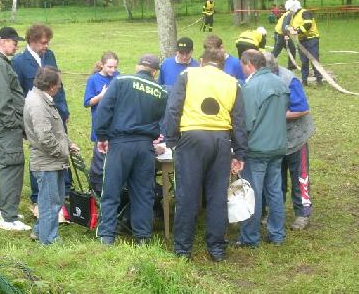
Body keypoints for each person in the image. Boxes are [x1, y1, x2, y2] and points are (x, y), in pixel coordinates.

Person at [164, 48, 247, 261]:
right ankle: (217, 249)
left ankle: (183, 250)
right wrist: (239, 152)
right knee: (217, 196)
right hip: (220, 139)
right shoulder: (232, 82)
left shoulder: (187, 75)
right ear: (221, 64)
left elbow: (173, 109)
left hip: (192, 136)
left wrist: (172, 140)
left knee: (187, 195)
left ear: (201, 61)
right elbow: (239, 121)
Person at [95, 54, 168, 245]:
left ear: (137, 67)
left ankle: (106, 235)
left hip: (120, 143)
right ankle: (142, 237)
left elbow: (104, 108)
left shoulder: (121, 81)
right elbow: (164, 118)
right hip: (145, 147)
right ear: (154, 72)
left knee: (111, 189)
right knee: (144, 193)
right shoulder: (161, 91)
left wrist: (102, 136)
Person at [12, 24, 71, 217]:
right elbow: (18, 92)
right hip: (38, 115)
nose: (46, 46)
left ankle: (64, 192)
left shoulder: (50, 55)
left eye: (48, 42)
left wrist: (65, 109)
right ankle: (38, 197)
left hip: (56, 113)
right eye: (43, 42)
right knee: (42, 152)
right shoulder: (20, 62)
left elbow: (58, 84)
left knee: (61, 147)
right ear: (32, 40)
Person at [0, 26, 30, 231]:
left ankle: (3, 208)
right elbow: (2, 99)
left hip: (0, 125)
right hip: (6, 126)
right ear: (1, 40)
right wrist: (15, 124)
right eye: (12, 41)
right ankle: (8, 218)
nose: (16, 44)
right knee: (12, 166)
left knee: (2, 166)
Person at [237, 50, 289, 247]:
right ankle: (277, 234)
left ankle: (250, 237)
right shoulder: (280, 83)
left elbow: (246, 122)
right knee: (274, 191)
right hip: (278, 146)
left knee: (254, 193)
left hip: (257, 148)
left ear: (249, 64)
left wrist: (238, 148)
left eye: (243, 66)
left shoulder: (251, 87)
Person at [23, 66, 79, 244]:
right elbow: (45, 137)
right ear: (52, 86)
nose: (60, 86)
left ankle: (40, 231)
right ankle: (49, 240)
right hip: (47, 162)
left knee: (52, 199)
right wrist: (63, 151)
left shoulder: (42, 99)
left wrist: (68, 144)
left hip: (51, 161)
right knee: (50, 202)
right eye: (60, 84)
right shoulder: (38, 104)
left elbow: (56, 130)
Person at [263, 52, 315, 230]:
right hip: (275, 140)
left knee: (299, 176)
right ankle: (275, 211)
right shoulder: (261, 79)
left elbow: (302, 110)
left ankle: (303, 214)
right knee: (275, 178)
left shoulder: (289, 79)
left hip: (296, 137)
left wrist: (274, 114)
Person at [83, 51, 119, 193]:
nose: (113, 70)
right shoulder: (94, 80)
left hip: (116, 126)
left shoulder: (118, 77)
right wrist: (101, 96)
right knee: (99, 162)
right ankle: (97, 189)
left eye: (115, 67)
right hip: (101, 126)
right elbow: (87, 102)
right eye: (110, 67)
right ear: (102, 65)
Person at [286, 0, 322, 86]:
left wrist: (297, 31)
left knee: (314, 59)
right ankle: (304, 80)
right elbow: (294, 26)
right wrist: (289, 31)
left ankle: (319, 79)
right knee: (304, 61)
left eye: (290, 9)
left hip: (311, 39)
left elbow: (308, 25)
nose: (289, 11)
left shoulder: (305, 13)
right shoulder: (294, 15)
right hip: (302, 40)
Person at [272, 0, 297, 70]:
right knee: (276, 52)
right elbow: (284, 27)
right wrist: (286, 35)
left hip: (282, 34)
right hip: (280, 35)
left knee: (292, 49)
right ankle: (266, 65)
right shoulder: (289, 14)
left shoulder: (289, 14)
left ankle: (291, 65)